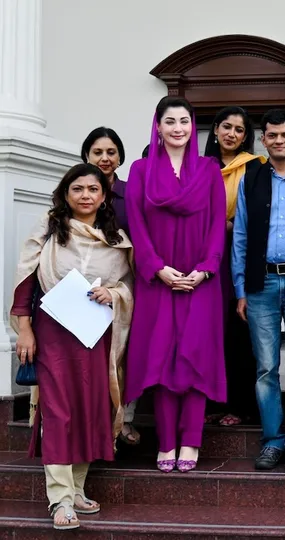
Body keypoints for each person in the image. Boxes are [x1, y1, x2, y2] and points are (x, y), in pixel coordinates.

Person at [11, 163, 133, 530]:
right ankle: (60, 499)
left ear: (104, 195)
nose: (85, 196)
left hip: (95, 336)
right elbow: (25, 282)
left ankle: (77, 488)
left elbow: (129, 287)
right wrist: (25, 330)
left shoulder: (117, 239)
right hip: (52, 334)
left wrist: (111, 293)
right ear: (66, 194)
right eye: (77, 189)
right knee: (59, 411)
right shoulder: (49, 230)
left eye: (92, 189)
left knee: (90, 408)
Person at [124, 96, 227, 474]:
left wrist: (205, 268)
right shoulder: (140, 171)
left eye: (184, 121)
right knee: (162, 360)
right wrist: (157, 268)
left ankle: (191, 442)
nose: (178, 128)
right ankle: (166, 442)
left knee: (196, 359)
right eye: (170, 122)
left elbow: (218, 224)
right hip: (158, 281)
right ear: (158, 126)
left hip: (201, 281)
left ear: (193, 125)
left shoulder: (208, 169)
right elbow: (135, 223)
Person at [233, 109, 285, 471]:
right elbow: (240, 236)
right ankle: (272, 440)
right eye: (273, 135)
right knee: (266, 368)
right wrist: (240, 288)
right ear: (263, 140)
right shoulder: (250, 178)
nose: (280, 140)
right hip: (261, 283)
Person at [203, 106, 265, 427]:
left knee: (240, 331)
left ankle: (240, 405)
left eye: (239, 130)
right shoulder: (198, 168)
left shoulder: (256, 168)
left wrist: (232, 225)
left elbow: (260, 215)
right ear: (215, 130)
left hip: (239, 255)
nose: (231, 134)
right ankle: (212, 401)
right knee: (211, 332)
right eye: (226, 127)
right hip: (203, 258)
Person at [80, 127, 140, 446]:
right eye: (98, 152)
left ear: (119, 157)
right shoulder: (76, 190)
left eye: (111, 152)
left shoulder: (132, 193)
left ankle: (124, 421)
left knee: (124, 352)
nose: (105, 158)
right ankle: (94, 427)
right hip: (83, 289)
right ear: (87, 156)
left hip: (124, 285)